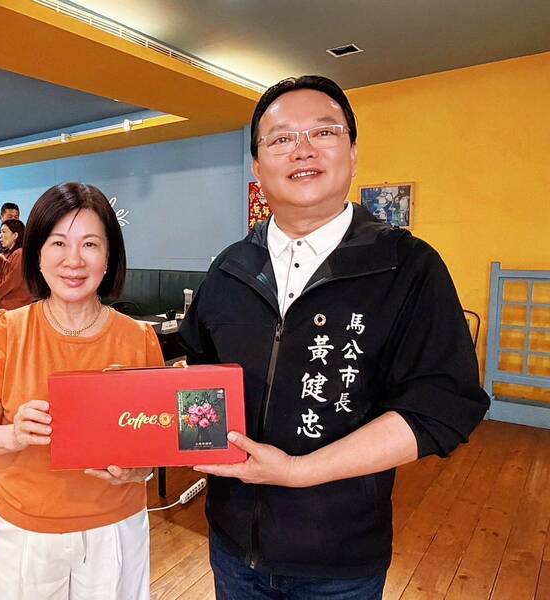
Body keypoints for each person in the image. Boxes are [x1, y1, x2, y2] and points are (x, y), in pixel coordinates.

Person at [178, 75, 490, 599]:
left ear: (353, 152)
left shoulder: (407, 266)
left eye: (323, 132)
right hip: (232, 546)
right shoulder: (230, 268)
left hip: (340, 561)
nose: (302, 150)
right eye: (281, 138)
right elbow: (196, 377)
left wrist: (300, 471)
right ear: (257, 166)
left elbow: (441, 407)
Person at [0, 183, 164, 600]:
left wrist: (139, 469)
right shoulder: (5, 331)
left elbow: (155, 440)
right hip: (27, 529)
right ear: (37, 253)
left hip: (116, 525)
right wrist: (14, 434)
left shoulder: (138, 338)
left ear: (109, 257)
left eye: (90, 244)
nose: (74, 260)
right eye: (58, 243)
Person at [0, 219, 33, 311]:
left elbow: (9, 283)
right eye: (0, 232)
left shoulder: (20, 254)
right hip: (2, 308)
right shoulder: (5, 254)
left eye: (4, 232)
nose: (0, 236)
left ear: (15, 235)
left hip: (15, 308)